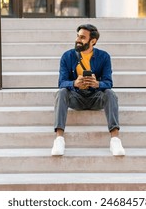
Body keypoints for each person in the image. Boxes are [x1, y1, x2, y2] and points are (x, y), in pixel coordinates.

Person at [51, 24, 125, 156]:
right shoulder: (67, 56)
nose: (78, 40)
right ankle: (59, 139)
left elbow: (108, 83)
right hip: (76, 97)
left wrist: (97, 84)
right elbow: (61, 83)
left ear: (93, 41)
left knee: (110, 94)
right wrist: (75, 83)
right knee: (61, 92)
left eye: (82, 37)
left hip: (95, 97)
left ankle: (115, 139)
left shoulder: (104, 57)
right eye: (78, 36)